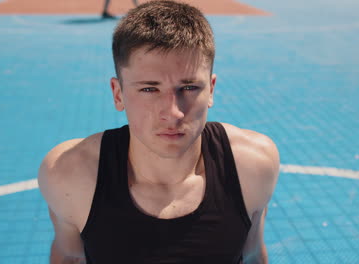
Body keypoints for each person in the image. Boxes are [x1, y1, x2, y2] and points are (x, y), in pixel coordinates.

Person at [38, 1, 280, 263]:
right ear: (118, 94)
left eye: (188, 88)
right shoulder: (71, 175)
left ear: (211, 90)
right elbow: (69, 257)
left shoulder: (253, 165)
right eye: (149, 89)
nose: (173, 113)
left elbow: (253, 253)